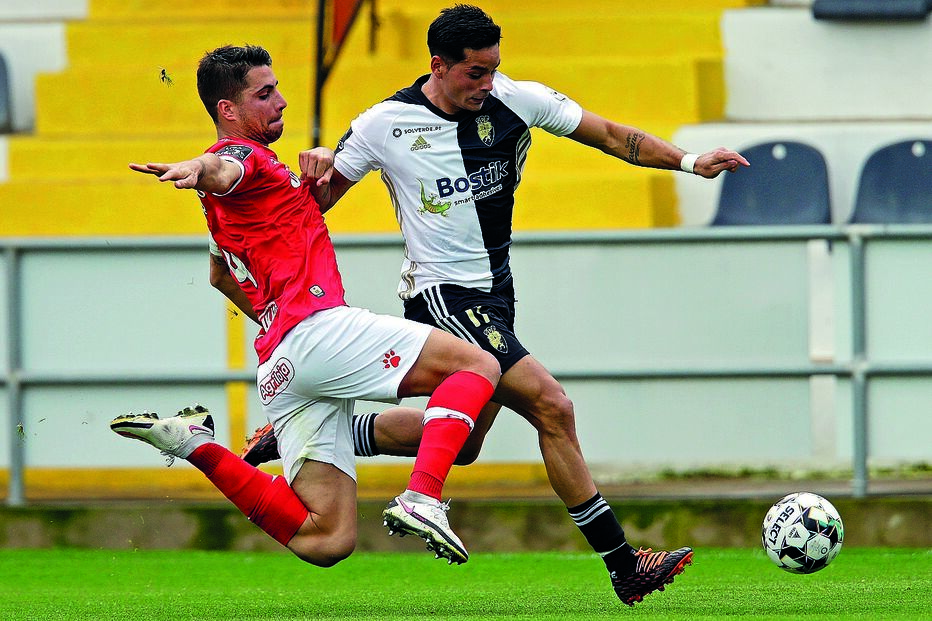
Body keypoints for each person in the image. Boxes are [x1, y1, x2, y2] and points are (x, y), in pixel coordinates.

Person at [257, 4, 750, 605]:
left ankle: (310, 436)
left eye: (493, 70)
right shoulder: (385, 125)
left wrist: (689, 161)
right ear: (437, 65)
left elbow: (613, 136)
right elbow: (312, 209)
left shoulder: (517, 99)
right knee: (553, 406)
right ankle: (624, 563)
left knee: (462, 444)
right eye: (474, 73)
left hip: (495, 294)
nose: (486, 84)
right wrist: (313, 172)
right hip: (441, 295)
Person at [110, 43, 503, 568]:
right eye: (265, 94)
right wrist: (197, 167)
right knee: (478, 365)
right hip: (318, 331)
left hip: (281, 364)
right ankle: (423, 496)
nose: (282, 102)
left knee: (325, 539)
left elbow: (220, 275)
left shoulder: (232, 205)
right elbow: (222, 165)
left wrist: (277, 314)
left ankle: (193, 445)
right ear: (229, 110)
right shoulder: (246, 160)